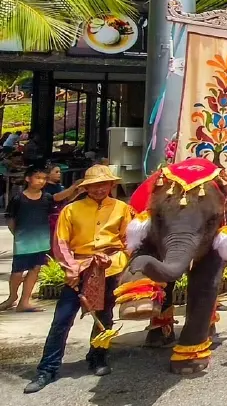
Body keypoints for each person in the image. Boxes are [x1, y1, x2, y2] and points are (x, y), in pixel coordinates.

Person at [24, 165, 131, 394]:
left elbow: (127, 240)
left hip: (109, 267)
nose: (99, 189)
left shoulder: (122, 208)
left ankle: (98, 356)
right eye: (94, 185)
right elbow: (61, 242)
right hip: (79, 267)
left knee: (104, 315)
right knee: (62, 319)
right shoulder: (71, 210)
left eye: (104, 184)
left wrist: (120, 261)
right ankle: (47, 369)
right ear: (86, 187)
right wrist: (71, 269)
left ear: (111, 185)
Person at [4, 168, 52, 312]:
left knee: (35, 269)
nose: (41, 181)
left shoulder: (47, 198)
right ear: (27, 179)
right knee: (17, 272)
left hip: (41, 241)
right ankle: (12, 297)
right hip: (23, 241)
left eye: (44, 178)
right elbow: (10, 219)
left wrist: (75, 189)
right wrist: (18, 235)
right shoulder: (18, 198)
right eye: (38, 177)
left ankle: (24, 301)